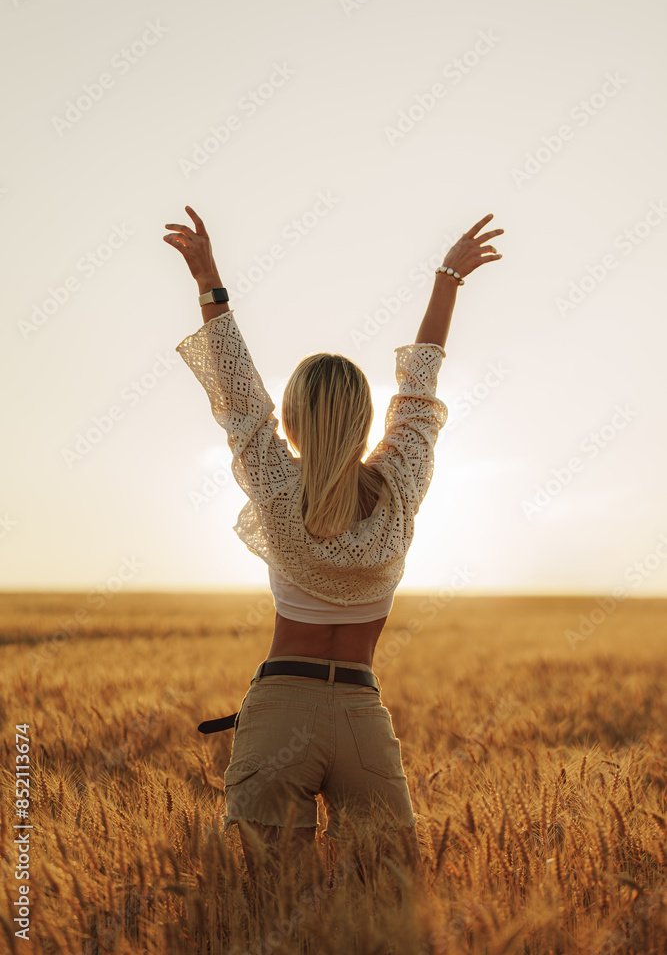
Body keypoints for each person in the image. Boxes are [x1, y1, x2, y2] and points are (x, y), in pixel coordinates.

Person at [164, 205, 504, 902]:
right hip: (358, 713)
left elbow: (237, 392)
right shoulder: (399, 488)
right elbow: (419, 389)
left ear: (289, 421)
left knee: (262, 909)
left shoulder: (274, 484)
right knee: (386, 903)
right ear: (365, 421)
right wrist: (447, 279)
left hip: (277, 709)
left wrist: (208, 279)